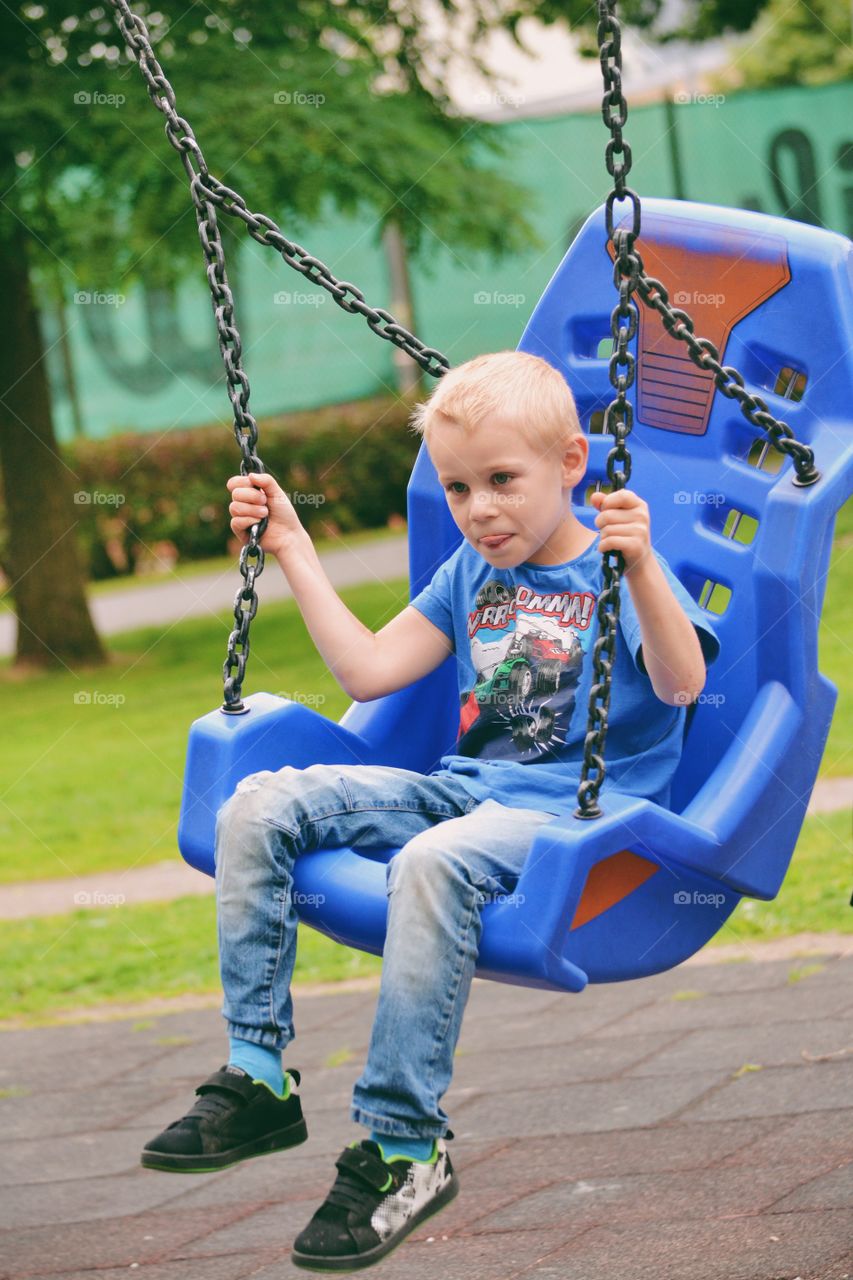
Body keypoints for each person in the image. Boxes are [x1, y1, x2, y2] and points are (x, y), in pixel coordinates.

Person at [140, 350, 719, 1270]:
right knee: (259, 801)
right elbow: (367, 672)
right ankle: (258, 1074)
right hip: (460, 789)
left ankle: (404, 1143)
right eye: (457, 487)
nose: (480, 508)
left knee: (431, 860)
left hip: (580, 816)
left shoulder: (618, 568)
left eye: (501, 481)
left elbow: (682, 683)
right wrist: (291, 544)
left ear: (571, 464)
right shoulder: (468, 573)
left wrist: (642, 566)